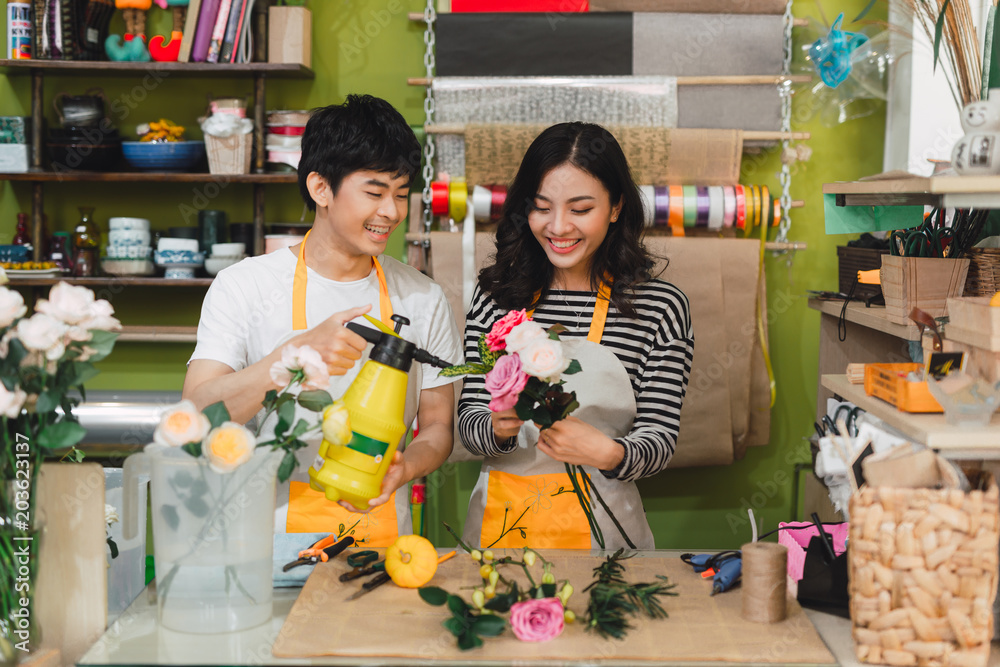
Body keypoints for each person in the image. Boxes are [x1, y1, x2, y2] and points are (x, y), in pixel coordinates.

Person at [183, 94, 463, 549]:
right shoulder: (244, 285)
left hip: (381, 535)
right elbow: (199, 413)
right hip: (265, 541)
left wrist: (407, 468)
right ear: (321, 188)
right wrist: (296, 355)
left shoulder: (423, 296)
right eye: (374, 193)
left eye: (400, 193)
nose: (391, 211)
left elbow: (437, 427)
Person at [458, 122, 694, 551]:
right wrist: (499, 427)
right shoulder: (496, 298)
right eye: (542, 207)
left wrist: (608, 453)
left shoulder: (660, 307)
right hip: (500, 539)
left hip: (607, 542)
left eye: (581, 209)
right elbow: (469, 425)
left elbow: (660, 439)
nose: (559, 227)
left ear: (617, 207)